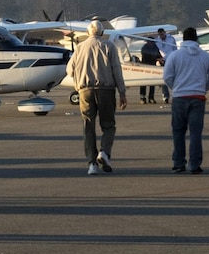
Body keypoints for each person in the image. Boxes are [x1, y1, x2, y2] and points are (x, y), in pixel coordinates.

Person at [67, 19, 128, 174]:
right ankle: (104, 152)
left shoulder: (80, 47)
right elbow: (116, 69)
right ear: (102, 32)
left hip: (85, 90)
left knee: (88, 126)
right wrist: (122, 92)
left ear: (88, 32)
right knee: (108, 125)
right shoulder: (109, 46)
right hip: (106, 89)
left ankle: (92, 164)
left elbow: (69, 70)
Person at [163, 26, 209, 173]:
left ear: (183, 39)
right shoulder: (205, 56)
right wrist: (203, 87)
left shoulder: (175, 56)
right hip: (198, 97)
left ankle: (178, 163)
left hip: (180, 97)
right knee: (195, 132)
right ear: (196, 39)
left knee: (178, 131)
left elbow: (167, 76)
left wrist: (176, 87)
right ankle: (194, 164)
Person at [137, 37, 163, 104]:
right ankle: (142, 97)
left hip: (153, 66)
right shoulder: (144, 48)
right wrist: (156, 58)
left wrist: (161, 60)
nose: (153, 43)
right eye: (152, 42)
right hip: (145, 67)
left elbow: (158, 54)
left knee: (152, 83)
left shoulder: (155, 47)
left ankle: (151, 97)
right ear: (148, 42)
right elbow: (147, 55)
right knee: (143, 83)